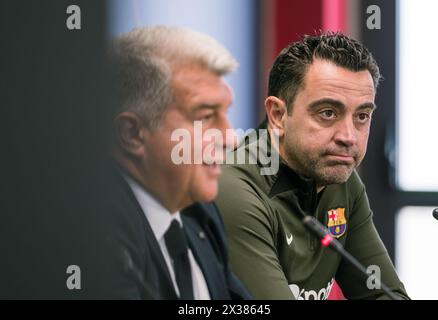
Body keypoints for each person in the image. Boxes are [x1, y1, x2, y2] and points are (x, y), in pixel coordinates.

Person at [215, 33, 409, 300]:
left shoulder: (341, 179)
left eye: (362, 116)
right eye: (328, 113)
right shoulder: (233, 189)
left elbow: (384, 295)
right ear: (278, 116)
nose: (349, 137)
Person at [95, 26, 251, 300]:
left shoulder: (200, 212)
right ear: (132, 134)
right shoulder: (97, 239)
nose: (230, 139)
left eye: (225, 113)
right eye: (205, 117)